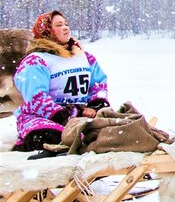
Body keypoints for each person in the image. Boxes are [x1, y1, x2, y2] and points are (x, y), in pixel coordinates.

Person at [13, 11, 111, 153]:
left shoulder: (84, 57)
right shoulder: (36, 60)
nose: (65, 28)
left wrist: (95, 105)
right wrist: (63, 117)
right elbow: (36, 96)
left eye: (66, 24)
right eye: (59, 25)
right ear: (47, 31)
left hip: (80, 113)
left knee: (112, 132)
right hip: (43, 118)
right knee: (49, 137)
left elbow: (98, 84)